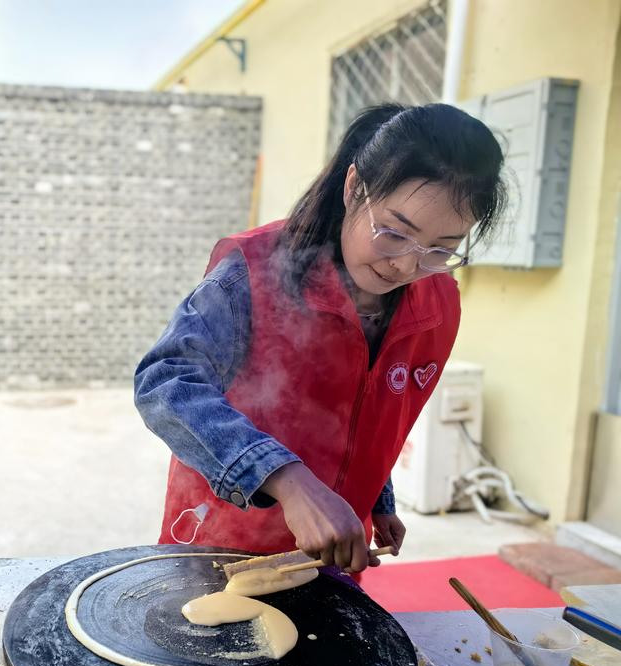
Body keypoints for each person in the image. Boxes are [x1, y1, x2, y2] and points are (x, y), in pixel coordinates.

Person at [135, 104, 506, 575]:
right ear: (354, 188)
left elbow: (364, 410)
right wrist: (287, 480)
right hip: (221, 553)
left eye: (441, 249)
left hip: (330, 561)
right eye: (393, 233)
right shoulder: (252, 274)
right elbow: (164, 382)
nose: (407, 266)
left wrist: (378, 498)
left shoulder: (435, 305)